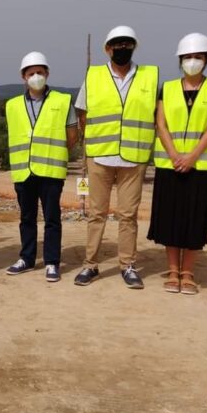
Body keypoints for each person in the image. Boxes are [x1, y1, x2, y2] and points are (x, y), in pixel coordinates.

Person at [73, 26, 158, 289]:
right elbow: (83, 113)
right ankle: (91, 265)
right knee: (96, 214)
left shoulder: (149, 75)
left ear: (134, 46)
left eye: (127, 44)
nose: (122, 48)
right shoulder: (94, 75)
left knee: (128, 215)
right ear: (107, 49)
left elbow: (156, 113)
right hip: (100, 155)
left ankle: (128, 265)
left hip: (134, 157)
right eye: (117, 44)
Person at [148, 33, 207, 295]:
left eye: (198, 57)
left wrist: (192, 156)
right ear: (180, 60)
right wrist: (174, 155)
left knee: (195, 218)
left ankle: (188, 272)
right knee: (171, 218)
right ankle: (172, 270)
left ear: (206, 59)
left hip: (202, 166)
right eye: (188, 57)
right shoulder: (167, 87)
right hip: (171, 165)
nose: (193, 61)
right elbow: (161, 124)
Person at [4, 52, 78, 282]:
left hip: (50, 170)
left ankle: (52, 262)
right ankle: (26, 258)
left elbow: (72, 134)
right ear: (23, 77)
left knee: (52, 218)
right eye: (31, 73)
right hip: (24, 170)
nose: (36, 76)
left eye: (39, 72)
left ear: (47, 73)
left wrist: (52, 152)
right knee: (26, 217)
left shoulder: (62, 100)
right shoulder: (12, 105)